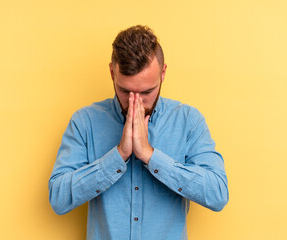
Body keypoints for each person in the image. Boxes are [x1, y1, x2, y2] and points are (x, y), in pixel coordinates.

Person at [48, 25, 229, 240]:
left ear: (163, 74)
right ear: (112, 72)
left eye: (147, 91)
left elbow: (217, 194)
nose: (137, 102)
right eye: (125, 91)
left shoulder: (188, 121)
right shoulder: (85, 121)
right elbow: (58, 198)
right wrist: (118, 156)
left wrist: (150, 156)